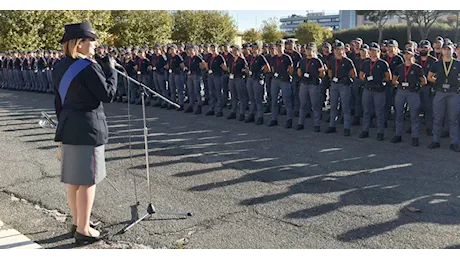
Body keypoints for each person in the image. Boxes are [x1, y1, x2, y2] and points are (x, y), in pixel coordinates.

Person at [53, 22, 117, 245]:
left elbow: (58, 100)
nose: (95, 44)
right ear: (79, 44)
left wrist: (63, 121)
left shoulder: (59, 66)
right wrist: (111, 70)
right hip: (88, 127)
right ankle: (83, 229)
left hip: (69, 124)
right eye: (92, 40)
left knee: (74, 180)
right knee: (88, 180)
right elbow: (107, 94)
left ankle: (78, 221)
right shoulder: (89, 67)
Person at [427, 42, 460, 152]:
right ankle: (435, 141)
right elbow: (429, 77)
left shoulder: (457, 63)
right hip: (440, 92)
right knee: (437, 117)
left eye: (449, 49)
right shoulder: (436, 64)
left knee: (453, 118)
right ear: (441, 51)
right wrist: (438, 82)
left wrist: (456, 82)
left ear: (453, 50)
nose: (447, 51)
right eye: (445, 49)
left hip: (453, 93)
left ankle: (454, 142)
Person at [390, 47, 427, 146]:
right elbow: (393, 80)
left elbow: (424, 81)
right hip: (401, 92)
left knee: (414, 115)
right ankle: (398, 134)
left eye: (409, 54)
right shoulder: (399, 67)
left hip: (412, 92)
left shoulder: (417, 67)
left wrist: (416, 86)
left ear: (413, 55)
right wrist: (399, 85)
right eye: (405, 54)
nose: (406, 56)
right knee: (399, 114)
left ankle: (415, 137)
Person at [359, 42, 392, 141]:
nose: (373, 53)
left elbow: (388, 76)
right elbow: (361, 75)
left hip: (379, 91)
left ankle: (380, 132)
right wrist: (366, 80)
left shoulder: (383, 63)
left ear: (379, 52)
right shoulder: (365, 63)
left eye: (375, 51)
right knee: (366, 111)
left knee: (379, 112)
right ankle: (365, 130)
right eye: (371, 51)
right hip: (368, 89)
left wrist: (380, 82)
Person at [325, 41, 357, 136]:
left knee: (345, 107)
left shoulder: (348, 61)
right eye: (336, 49)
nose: (337, 51)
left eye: (339, 49)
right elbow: (330, 72)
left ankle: (346, 128)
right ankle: (332, 126)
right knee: (333, 106)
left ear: (343, 50)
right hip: (334, 84)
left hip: (344, 85)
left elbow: (354, 74)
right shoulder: (331, 60)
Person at [296, 42, 325, 132]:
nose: (308, 51)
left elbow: (322, 73)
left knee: (315, 105)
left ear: (314, 50)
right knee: (303, 105)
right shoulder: (302, 60)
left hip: (313, 85)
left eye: (310, 50)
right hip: (304, 84)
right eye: (307, 49)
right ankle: (301, 123)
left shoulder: (317, 61)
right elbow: (299, 71)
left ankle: (316, 124)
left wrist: (316, 78)